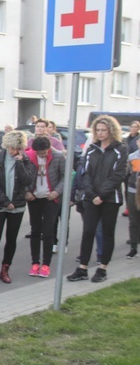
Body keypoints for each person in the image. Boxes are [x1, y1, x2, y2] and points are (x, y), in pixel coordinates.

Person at [67, 116, 127, 283]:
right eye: (98, 130)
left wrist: (102, 195)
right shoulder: (92, 149)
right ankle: (83, 268)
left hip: (110, 199)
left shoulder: (120, 149)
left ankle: (102, 268)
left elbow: (118, 175)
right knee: (88, 231)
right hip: (91, 198)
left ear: (111, 131)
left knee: (107, 233)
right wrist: (93, 195)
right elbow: (84, 173)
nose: (100, 133)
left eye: (104, 130)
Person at [0, 131, 36, 286]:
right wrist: (5, 201)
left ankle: (5, 269)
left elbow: (28, 180)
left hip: (17, 206)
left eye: (18, 148)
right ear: (7, 146)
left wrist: (20, 162)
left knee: (11, 239)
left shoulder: (26, 161)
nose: (15, 151)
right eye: (13, 148)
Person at [24, 136, 66, 278]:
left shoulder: (58, 157)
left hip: (51, 199)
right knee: (35, 230)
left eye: (43, 153)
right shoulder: (29, 157)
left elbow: (66, 177)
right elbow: (23, 177)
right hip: (34, 198)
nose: (41, 155)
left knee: (48, 231)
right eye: (38, 153)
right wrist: (27, 191)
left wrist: (56, 192)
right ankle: (35, 263)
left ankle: (46, 264)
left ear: (48, 148)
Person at [126, 136, 140, 259]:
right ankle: (133, 247)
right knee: (133, 219)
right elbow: (128, 171)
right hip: (133, 190)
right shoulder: (132, 157)